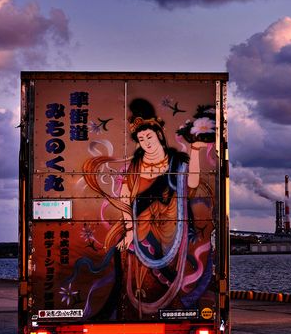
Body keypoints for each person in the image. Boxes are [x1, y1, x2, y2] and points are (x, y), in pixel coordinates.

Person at [79, 97, 213, 320]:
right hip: (141, 230)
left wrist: (196, 152)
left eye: (149, 136)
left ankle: (176, 308)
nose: (146, 142)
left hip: (172, 228)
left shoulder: (176, 163)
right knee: (127, 263)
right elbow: (125, 198)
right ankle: (128, 310)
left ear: (159, 135)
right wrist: (130, 231)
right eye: (141, 139)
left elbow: (191, 184)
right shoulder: (134, 167)